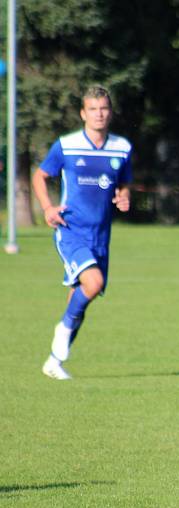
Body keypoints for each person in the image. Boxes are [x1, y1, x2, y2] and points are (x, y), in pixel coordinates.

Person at [31, 85, 133, 379]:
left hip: (101, 236)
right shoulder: (66, 145)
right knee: (93, 282)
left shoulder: (122, 148)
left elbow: (123, 183)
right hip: (71, 230)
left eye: (103, 108)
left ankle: (54, 361)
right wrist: (48, 208)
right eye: (93, 109)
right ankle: (61, 330)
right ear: (83, 113)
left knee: (83, 295)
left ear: (110, 112)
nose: (99, 114)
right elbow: (40, 175)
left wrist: (124, 196)